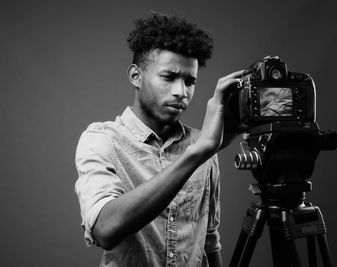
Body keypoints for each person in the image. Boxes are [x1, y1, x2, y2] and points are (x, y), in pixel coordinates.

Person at [75, 12, 244, 267]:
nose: (181, 92)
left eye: (190, 81)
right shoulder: (101, 140)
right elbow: (105, 230)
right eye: (168, 77)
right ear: (136, 76)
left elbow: (209, 239)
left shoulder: (203, 145)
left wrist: (204, 149)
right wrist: (198, 153)